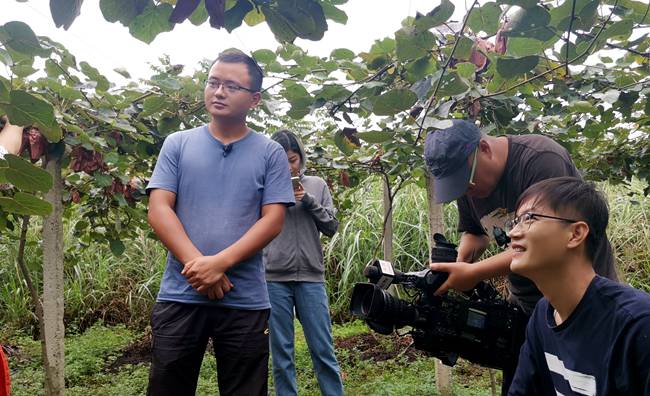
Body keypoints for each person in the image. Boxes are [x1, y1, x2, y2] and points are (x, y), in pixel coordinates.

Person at [423, 119, 618, 393]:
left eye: (465, 182)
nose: (466, 193)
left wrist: (474, 273)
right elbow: (475, 231)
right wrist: (462, 262)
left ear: (484, 148)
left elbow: (552, 243)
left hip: (579, 302)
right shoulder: (469, 183)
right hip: (529, 308)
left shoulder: (540, 160)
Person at [145, 49, 295, 396]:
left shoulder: (270, 152)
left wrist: (220, 264)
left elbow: (273, 220)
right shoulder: (177, 144)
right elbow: (159, 209)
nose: (218, 91)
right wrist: (200, 267)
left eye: (231, 85)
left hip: (245, 300)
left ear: (254, 99)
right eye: (213, 82)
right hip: (181, 294)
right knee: (168, 388)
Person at [507, 177, 650, 395]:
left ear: (575, 234)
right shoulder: (542, 316)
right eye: (515, 222)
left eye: (529, 218)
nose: (513, 233)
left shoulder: (638, 325)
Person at [264, 130, 344, 396]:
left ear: (301, 158)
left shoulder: (317, 185)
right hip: (274, 279)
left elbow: (332, 227)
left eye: (293, 159)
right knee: (282, 356)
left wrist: (307, 201)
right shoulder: (264, 185)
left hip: (311, 278)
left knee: (323, 351)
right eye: (282, 160)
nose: (289, 166)